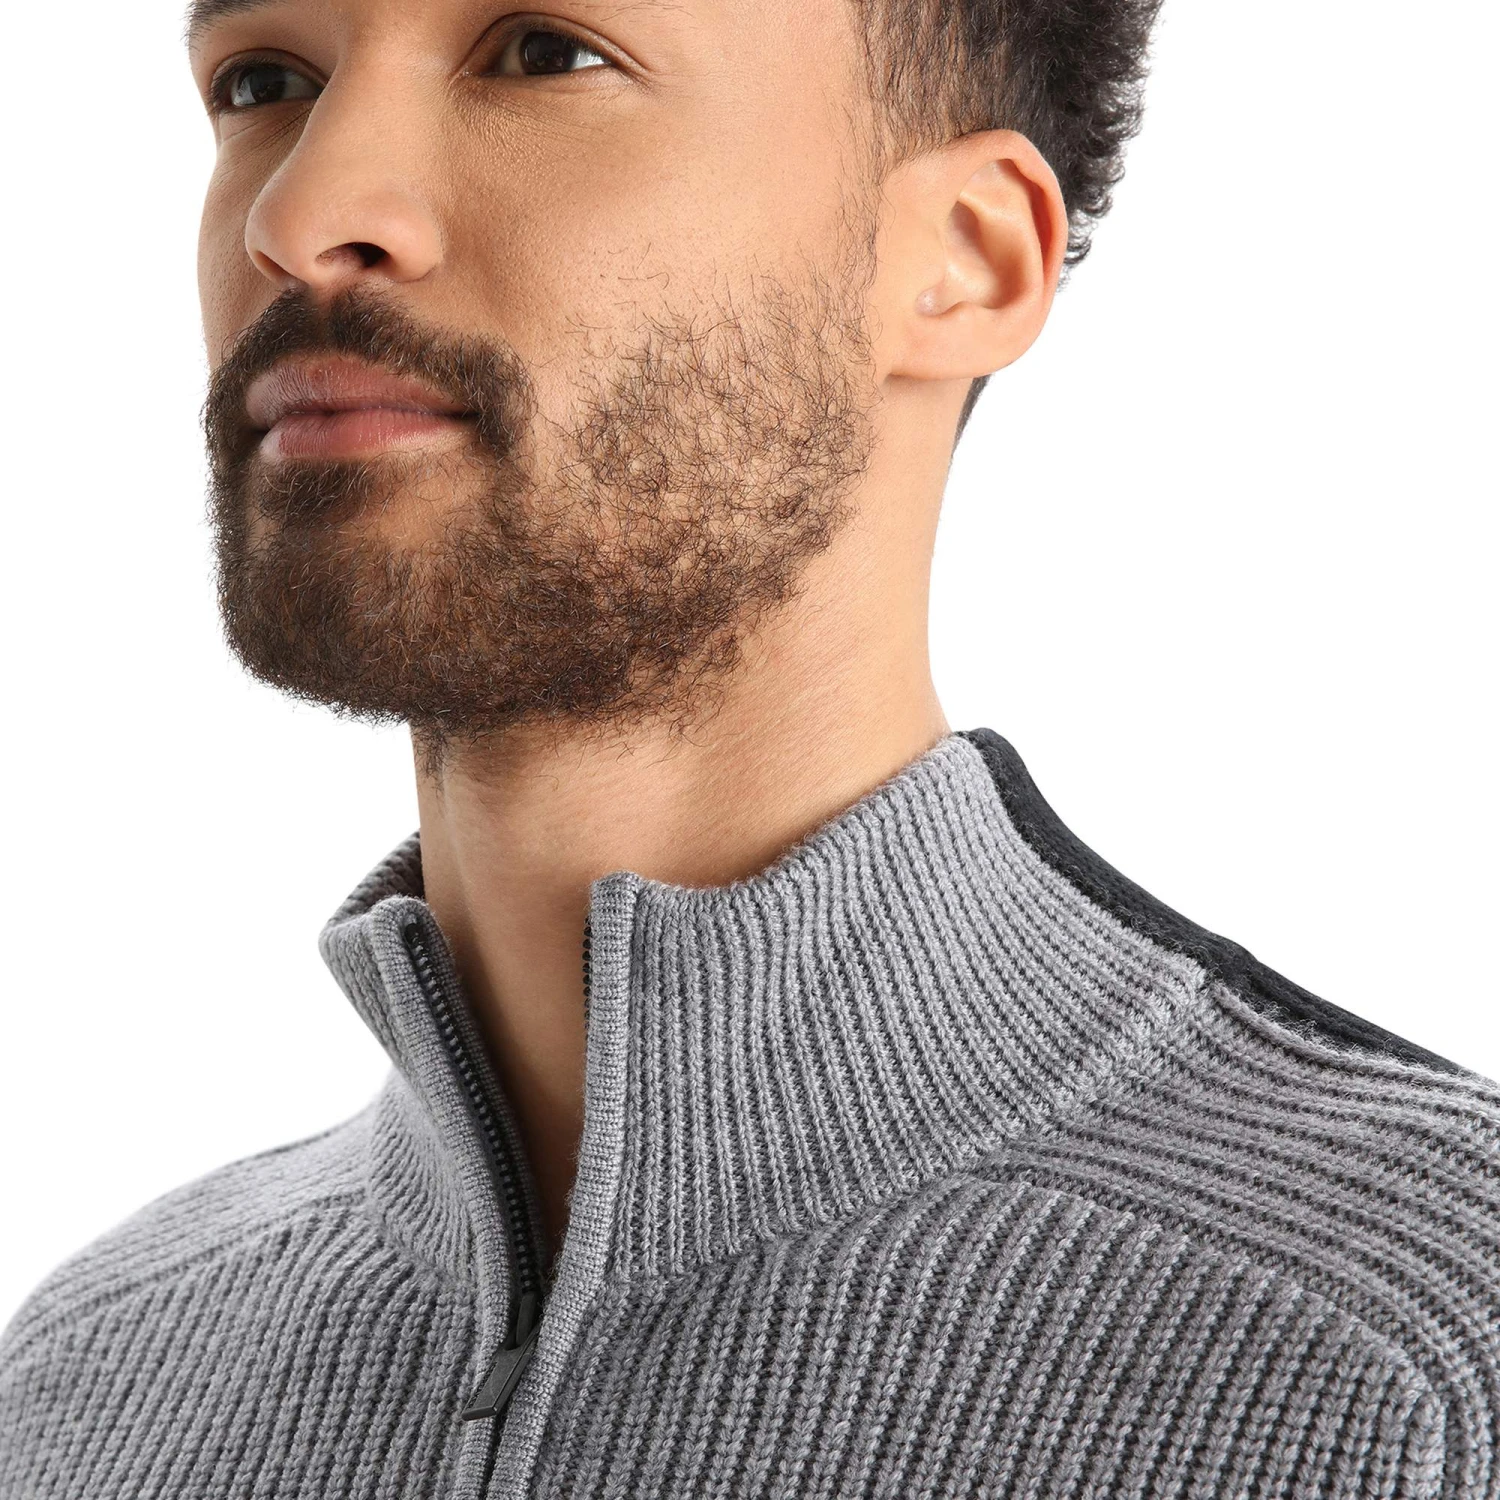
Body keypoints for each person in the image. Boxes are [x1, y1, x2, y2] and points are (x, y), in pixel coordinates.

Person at [2, 0, 1496, 1493]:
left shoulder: (1424, 1362)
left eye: (544, 53)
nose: (298, 214)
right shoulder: (86, 1389)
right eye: (263, 81)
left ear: (967, 255)